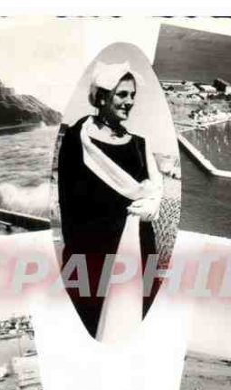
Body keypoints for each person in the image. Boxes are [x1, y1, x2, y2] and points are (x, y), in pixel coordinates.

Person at [57, 61, 164, 341]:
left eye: (132, 96)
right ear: (102, 96)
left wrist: (153, 204)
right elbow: (69, 206)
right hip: (94, 253)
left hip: (139, 247)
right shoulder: (77, 138)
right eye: (122, 94)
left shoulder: (141, 144)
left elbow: (155, 190)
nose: (129, 102)